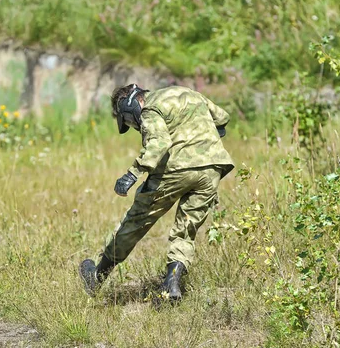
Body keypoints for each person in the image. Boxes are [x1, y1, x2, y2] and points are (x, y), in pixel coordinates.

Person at [79, 83, 234, 301]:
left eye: (130, 121)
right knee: (186, 229)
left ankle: (97, 276)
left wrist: (131, 175)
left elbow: (159, 142)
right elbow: (221, 118)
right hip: (212, 168)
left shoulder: (150, 108)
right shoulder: (188, 93)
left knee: (136, 220)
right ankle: (171, 285)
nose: (135, 127)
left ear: (131, 104)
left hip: (176, 170)